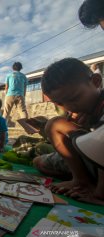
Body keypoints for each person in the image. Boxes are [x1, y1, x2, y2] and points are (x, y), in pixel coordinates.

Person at [40, 58, 104, 205]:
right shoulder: (81, 108)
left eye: (75, 98)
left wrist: (100, 194)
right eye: (61, 103)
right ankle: (81, 181)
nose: (69, 107)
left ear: (96, 81)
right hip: (91, 157)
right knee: (40, 160)